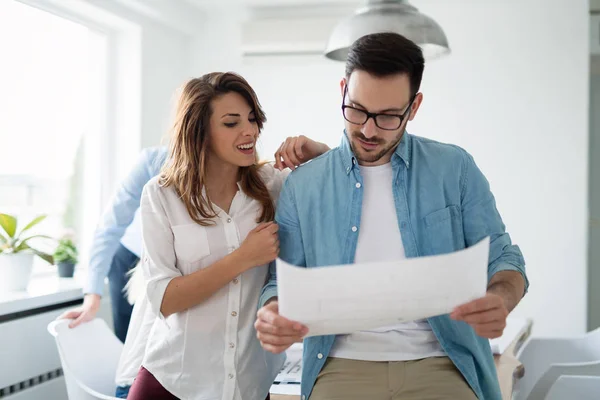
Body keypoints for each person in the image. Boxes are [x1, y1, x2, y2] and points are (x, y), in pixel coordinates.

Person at [255, 32, 529, 400]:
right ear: (342, 91)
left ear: (413, 108)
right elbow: (280, 283)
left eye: (387, 117)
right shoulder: (304, 185)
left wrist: (501, 297)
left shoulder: (454, 169)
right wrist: (272, 312)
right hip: (341, 367)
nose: (368, 130)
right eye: (357, 110)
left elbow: (503, 257)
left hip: (442, 364)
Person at [126, 72, 329, 400]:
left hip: (247, 386)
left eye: (252, 119)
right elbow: (164, 299)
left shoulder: (272, 186)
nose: (249, 131)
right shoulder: (162, 196)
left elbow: (343, 191)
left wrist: (319, 152)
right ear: (200, 132)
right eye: (231, 123)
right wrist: (243, 258)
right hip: (172, 383)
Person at [58, 146, 167, 342]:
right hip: (129, 258)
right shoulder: (153, 161)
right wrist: (92, 296)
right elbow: (109, 228)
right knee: (130, 342)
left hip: (174, 264)